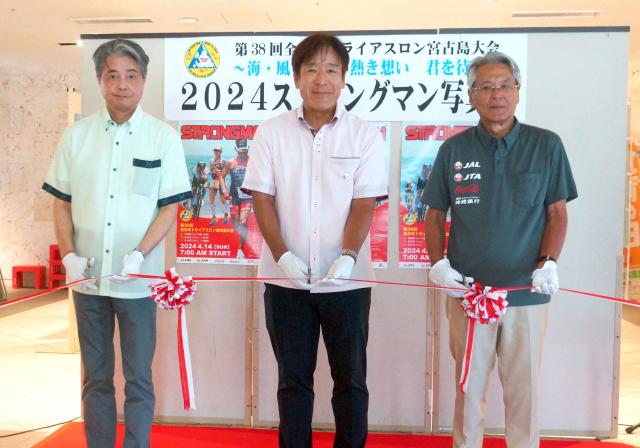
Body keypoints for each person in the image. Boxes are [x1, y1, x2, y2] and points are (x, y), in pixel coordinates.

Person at [422, 51, 577, 448]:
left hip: (526, 294)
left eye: (505, 85)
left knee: (524, 393)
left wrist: (549, 263)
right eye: (487, 86)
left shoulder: (546, 145)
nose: (497, 94)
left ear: (518, 91)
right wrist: (439, 264)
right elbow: (435, 215)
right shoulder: (453, 150)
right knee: (468, 390)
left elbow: (557, 213)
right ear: (471, 95)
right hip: (468, 296)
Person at [42, 38, 191, 448]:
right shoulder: (77, 137)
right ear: (100, 80)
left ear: (143, 80)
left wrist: (140, 254)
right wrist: (69, 256)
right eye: (113, 75)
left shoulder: (162, 138)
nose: (122, 84)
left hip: (138, 283)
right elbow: (61, 202)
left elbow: (169, 208)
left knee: (139, 377)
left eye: (131, 75)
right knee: (95, 377)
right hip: (88, 281)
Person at [241, 32, 387, 448]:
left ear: (344, 77)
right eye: (311, 69)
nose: (322, 79)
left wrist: (348, 256)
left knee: (351, 380)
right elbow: (262, 199)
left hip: (348, 282)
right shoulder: (271, 132)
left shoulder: (364, 134)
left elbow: (364, 203)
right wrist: (282, 255)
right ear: (297, 78)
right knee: (292, 381)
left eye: (331, 70)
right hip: (285, 281)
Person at [228, 138, 252, 258]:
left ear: (248, 149)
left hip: (247, 197)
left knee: (243, 222)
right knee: (236, 224)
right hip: (234, 196)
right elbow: (221, 176)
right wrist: (223, 191)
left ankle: (240, 249)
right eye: (240, 151)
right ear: (236, 150)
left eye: (244, 151)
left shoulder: (253, 162)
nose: (242, 154)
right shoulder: (230, 162)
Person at [208, 146, 230, 226]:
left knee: (223, 200)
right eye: (215, 150)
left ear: (221, 152)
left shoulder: (224, 161)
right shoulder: (211, 160)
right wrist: (215, 168)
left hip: (221, 181)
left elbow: (226, 172)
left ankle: (226, 215)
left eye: (218, 150)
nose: (216, 152)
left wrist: (221, 171)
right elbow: (212, 170)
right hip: (214, 181)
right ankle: (214, 217)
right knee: (211, 199)